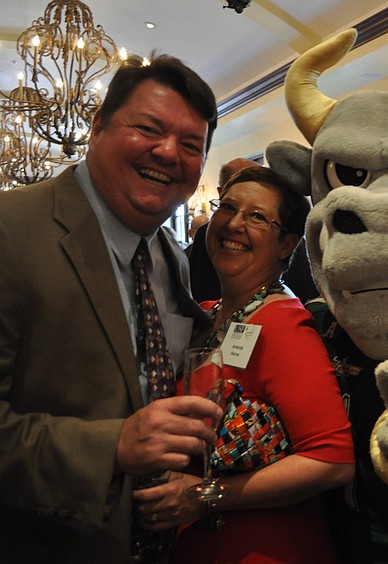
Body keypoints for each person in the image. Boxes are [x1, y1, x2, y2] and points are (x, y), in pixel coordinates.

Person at [0, 53, 222, 562]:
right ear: (98, 124)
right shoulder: (11, 230)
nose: (169, 153)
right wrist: (111, 447)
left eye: (191, 146)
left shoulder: (172, 258)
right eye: (149, 128)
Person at [138, 166, 356, 563]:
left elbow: (332, 460)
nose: (234, 224)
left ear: (287, 243)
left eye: (257, 217)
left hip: (267, 548)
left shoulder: (284, 325)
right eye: (228, 207)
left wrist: (207, 495)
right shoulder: (205, 315)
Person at [189, 157, 258, 302]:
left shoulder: (277, 233)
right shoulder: (207, 234)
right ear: (221, 193)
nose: (235, 225)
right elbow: (198, 292)